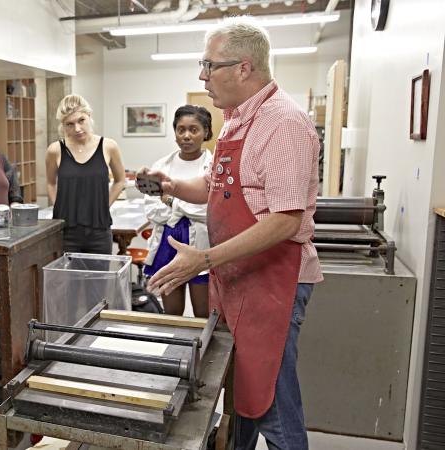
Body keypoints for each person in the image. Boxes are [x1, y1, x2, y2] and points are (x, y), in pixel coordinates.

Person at [144, 18, 322, 450]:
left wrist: (204, 260)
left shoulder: (282, 124)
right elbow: (212, 187)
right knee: (239, 393)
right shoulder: (235, 121)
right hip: (239, 277)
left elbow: (285, 221)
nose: (202, 76)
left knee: (271, 403)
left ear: (243, 68)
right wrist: (169, 186)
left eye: (209, 65)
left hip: (273, 282)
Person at [142, 105, 214, 318]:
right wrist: (187, 206)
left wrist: (172, 202)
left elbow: (208, 211)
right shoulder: (161, 166)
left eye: (194, 129)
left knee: (203, 312)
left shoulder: (213, 166)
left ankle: (201, 351)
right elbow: (152, 210)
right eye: (180, 130)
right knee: (172, 312)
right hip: (168, 241)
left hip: (202, 244)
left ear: (206, 132)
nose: (186, 136)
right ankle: (175, 351)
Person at [46, 94, 125, 254]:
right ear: (63, 125)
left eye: (81, 120)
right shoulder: (55, 150)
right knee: (67, 278)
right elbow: (51, 182)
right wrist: (59, 206)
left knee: (99, 278)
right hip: (66, 232)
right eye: (69, 124)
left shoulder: (108, 146)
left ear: (89, 116)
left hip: (99, 230)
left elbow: (120, 181)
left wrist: (104, 205)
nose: (77, 129)